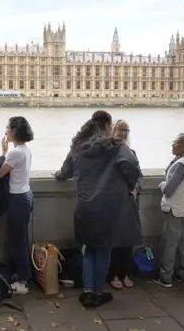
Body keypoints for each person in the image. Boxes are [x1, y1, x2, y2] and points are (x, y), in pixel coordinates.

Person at [56, 110, 141, 308]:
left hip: (85, 205)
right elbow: (131, 164)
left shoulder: (78, 147)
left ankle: (86, 291)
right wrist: (127, 184)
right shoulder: (116, 145)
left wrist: (59, 175)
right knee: (103, 250)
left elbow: (65, 171)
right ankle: (98, 292)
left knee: (89, 249)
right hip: (108, 205)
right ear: (108, 125)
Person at [153, 133, 184, 288]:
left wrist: (162, 184)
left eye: (176, 143)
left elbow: (168, 190)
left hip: (176, 209)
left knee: (170, 243)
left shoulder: (180, 164)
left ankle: (166, 277)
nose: (172, 145)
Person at [0, 116, 34, 295]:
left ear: (14, 131)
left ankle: (22, 281)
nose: (5, 131)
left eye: (7, 128)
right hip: (26, 194)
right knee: (22, 239)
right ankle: (23, 276)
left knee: (17, 242)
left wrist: (2, 154)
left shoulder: (15, 153)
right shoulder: (25, 150)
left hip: (17, 199)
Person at [108, 119, 143, 290]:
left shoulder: (132, 152)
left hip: (129, 202)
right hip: (114, 202)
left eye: (126, 130)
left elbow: (139, 176)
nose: (123, 133)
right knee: (114, 242)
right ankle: (114, 274)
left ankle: (124, 273)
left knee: (128, 240)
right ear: (113, 130)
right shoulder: (108, 153)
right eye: (120, 129)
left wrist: (136, 190)